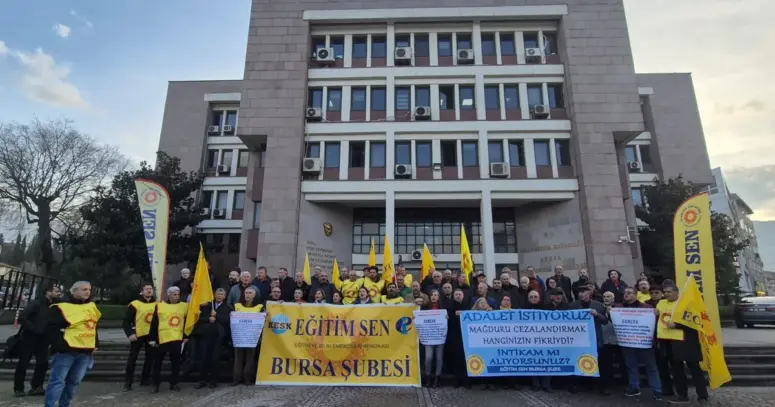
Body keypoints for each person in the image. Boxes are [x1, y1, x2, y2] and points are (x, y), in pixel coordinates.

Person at [44, 281, 99, 407]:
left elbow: (93, 326)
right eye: (84, 289)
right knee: (57, 381)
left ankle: (65, 405)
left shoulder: (91, 306)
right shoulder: (61, 307)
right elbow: (50, 328)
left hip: (85, 351)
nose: (87, 292)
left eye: (89, 289)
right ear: (74, 291)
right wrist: (61, 345)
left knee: (74, 382)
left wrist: (95, 343)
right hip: (66, 351)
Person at [656, 282, 708, 404]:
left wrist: (677, 324)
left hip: (687, 342)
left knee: (695, 369)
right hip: (670, 342)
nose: (666, 294)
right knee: (677, 371)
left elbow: (695, 322)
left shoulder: (687, 304)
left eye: (669, 292)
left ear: (676, 292)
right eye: (665, 292)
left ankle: (702, 395)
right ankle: (682, 395)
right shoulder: (661, 303)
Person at [14, 284, 61, 397]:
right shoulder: (36, 303)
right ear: (48, 292)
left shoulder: (54, 305)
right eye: (56, 291)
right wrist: (33, 328)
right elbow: (22, 317)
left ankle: (36, 387)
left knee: (43, 363)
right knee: (23, 363)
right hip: (29, 337)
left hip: (44, 338)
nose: (59, 293)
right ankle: (19, 388)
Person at [618, 287, 663, 400]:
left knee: (651, 367)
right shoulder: (619, 308)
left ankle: (657, 390)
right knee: (631, 366)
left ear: (635, 294)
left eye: (629, 293)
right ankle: (634, 388)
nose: (626, 295)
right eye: (625, 293)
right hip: (628, 342)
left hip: (644, 342)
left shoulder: (647, 307)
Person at [149, 286, 188, 394]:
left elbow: (188, 321)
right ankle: (155, 384)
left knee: (176, 363)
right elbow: (154, 323)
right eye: (174, 294)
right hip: (162, 338)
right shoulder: (160, 306)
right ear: (169, 295)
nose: (176, 296)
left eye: (178, 294)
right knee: (157, 363)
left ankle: (174, 383)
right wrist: (152, 338)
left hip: (177, 338)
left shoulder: (184, 306)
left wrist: (186, 335)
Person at [571, 285, 609, 395]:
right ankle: (584, 384)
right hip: (580, 340)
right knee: (582, 361)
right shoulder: (573, 305)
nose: (581, 294)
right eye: (579, 292)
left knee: (600, 363)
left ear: (590, 293)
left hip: (595, 339)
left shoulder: (598, 305)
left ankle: (603, 386)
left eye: (584, 292)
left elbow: (605, 321)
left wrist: (596, 315)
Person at [192, 288, 231, 389]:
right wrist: (208, 318)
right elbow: (198, 318)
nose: (219, 296)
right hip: (205, 336)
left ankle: (213, 380)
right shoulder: (207, 306)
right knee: (203, 358)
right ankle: (202, 380)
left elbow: (226, 320)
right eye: (218, 294)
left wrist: (216, 316)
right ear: (214, 295)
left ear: (224, 296)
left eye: (221, 294)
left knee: (215, 359)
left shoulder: (227, 307)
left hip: (217, 337)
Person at [122, 283, 156, 391]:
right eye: (147, 289)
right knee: (132, 358)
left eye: (151, 289)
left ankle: (145, 379)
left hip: (151, 335)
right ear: (142, 291)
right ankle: (128, 382)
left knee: (150, 358)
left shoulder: (157, 304)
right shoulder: (134, 304)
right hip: (137, 334)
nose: (149, 291)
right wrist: (130, 334)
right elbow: (126, 321)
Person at [232, 287, 263, 385]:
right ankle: (236, 378)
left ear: (254, 295)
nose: (247, 295)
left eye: (250, 293)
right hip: (239, 336)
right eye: (246, 293)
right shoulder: (236, 306)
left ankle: (247, 378)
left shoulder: (260, 307)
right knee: (238, 358)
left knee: (250, 358)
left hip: (252, 337)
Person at [421, 290, 445, 388]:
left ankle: (437, 379)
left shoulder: (443, 308)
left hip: (439, 336)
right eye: (432, 295)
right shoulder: (424, 307)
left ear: (439, 297)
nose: (434, 296)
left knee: (439, 358)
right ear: (430, 297)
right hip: (428, 336)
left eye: (436, 295)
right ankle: (428, 378)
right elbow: (419, 317)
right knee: (428, 358)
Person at [447, 288, 469, 388]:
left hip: (466, 336)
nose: (458, 296)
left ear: (463, 296)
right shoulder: (449, 307)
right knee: (456, 359)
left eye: (460, 294)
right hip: (454, 336)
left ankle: (466, 381)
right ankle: (456, 381)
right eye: (456, 294)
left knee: (465, 359)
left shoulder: (467, 306)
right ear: (453, 296)